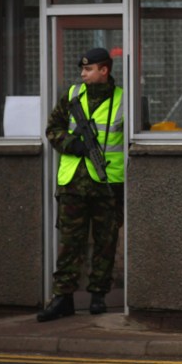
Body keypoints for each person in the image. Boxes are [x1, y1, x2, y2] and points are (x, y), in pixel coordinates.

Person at [38, 47, 125, 322]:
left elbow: (134, 138)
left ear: (104, 70)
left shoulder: (123, 100)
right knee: (69, 243)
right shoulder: (73, 95)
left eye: (88, 70)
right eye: (82, 69)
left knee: (105, 242)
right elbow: (53, 129)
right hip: (73, 182)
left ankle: (98, 295)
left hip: (107, 182)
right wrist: (73, 144)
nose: (82, 74)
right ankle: (63, 297)